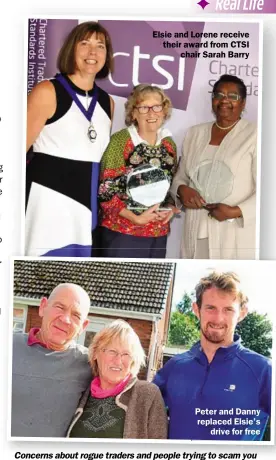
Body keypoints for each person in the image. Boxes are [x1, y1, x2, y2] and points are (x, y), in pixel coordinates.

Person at [25, 21, 114, 257]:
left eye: (100, 45)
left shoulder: (108, 102)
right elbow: (12, 153)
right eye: (84, 43)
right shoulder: (47, 91)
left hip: (86, 207)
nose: (92, 52)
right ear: (70, 49)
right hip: (47, 202)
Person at [154, 272, 272, 441]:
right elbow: (140, 408)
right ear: (196, 309)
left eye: (228, 310)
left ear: (242, 313)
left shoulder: (263, 370)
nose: (218, 318)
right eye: (211, 308)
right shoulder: (174, 366)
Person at [171, 74, 257, 259]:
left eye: (232, 96)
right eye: (219, 95)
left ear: (243, 103)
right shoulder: (194, 133)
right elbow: (180, 176)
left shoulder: (255, 135)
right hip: (195, 229)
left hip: (233, 231)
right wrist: (181, 189)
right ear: (212, 101)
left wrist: (235, 211)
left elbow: (269, 191)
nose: (224, 100)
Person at [98, 84, 180, 258]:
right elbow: (106, 191)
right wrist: (135, 218)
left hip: (158, 234)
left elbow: (169, 187)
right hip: (123, 233)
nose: (151, 113)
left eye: (157, 107)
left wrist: (170, 209)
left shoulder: (168, 144)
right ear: (133, 113)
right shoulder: (120, 141)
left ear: (164, 111)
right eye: (143, 108)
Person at [11, 283, 92, 437]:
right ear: (43, 307)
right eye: (60, 307)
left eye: (76, 315)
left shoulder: (89, 364)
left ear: (83, 326)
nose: (66, 319)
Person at [67, 319, 167, 439]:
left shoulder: (147, 394)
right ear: (95, 353)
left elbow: (158, 448)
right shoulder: (81, 390)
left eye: (126, 354)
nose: (118, 361)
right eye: (112, 351)